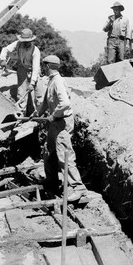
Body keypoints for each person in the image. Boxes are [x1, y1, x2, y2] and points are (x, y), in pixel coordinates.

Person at [35, 55, 87, 202]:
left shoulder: (58, 81)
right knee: (49, 151)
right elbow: (46, 101)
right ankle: (52, 181)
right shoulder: (51, 81)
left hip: (62, 122)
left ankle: (79, 188)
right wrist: (36, 114)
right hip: (55, 123)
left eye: (44, 66)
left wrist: (54, 115)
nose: (42, 68)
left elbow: (65, 103)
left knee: (65, 155)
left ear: (48, 66)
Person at [0, 28, 40, 115]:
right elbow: (5, 49)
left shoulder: (35, 50)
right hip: (22, 69)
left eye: (26, 41)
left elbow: (36, 68)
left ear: (31, 40)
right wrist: (3, 59)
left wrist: (32, 82)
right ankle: (21, 114)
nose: (24, 43)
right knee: (21, 93)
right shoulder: (18, 44)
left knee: (35, 95)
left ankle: (36, 114)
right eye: (23, 41)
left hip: (32, 70)